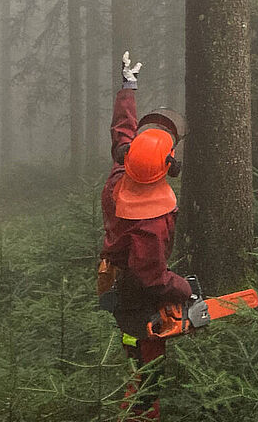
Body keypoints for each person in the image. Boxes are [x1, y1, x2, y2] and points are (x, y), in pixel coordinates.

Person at [99, 52, 193, 422]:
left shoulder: (120, 174)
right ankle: (142, 412)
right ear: (166, 166)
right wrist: (184, 290)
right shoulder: (150, 225)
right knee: (148, 359)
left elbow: (123, 131)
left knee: (129, 336)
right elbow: (152, 276)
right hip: (139, 295)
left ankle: (133, 362)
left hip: (115, 280)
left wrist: (128, 88)